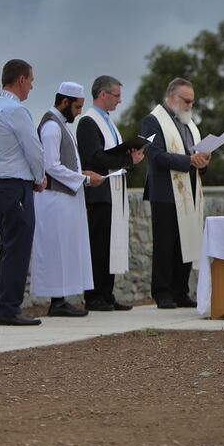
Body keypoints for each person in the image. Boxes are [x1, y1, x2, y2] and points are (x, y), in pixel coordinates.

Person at [30, 82, 105, 316]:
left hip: (63, 200)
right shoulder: (52, 128)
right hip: (54, 200)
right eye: (77, 106)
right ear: (64, 102)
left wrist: (83, 175)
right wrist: (83, 179)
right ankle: (57, 301)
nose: (79, 111)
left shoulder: (60, 125)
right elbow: (51, 166)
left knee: (65, 249)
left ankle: (61, 299)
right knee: (57, 250)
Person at [0, 59, 47, 326]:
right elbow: (33, 149)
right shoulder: (16, 110)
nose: (31, 87)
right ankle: (9, 308)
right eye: (30, 81)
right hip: (14, 185)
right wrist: (38, 177)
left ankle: (6, 306)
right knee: (18, 247)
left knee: (9, 246)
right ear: (21, 79)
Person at [77, 76, 145, 312]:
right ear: (103, 95)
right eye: (116, 95)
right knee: (98, 245)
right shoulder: (88, 122)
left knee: (111, 243)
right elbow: (94, 157)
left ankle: (107, 294)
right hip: (98, 193)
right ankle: (94, 296)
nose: (120, 100)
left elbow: (110, 154)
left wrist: (131, 158)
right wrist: (127, 158)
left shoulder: (108, 123)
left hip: (113, 191)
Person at [141, 78, 211, 309]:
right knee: (165, 244)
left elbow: (195, 155)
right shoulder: (152, 121)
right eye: (186, 100)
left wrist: (203, 161)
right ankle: (162, 293)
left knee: (186, 242)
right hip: (164, 192)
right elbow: (156, 156)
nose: (190, 105)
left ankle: (181, 291)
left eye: (192, 101)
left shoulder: (190, 124)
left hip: (189, 190)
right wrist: (189, 160)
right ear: (172, 98)